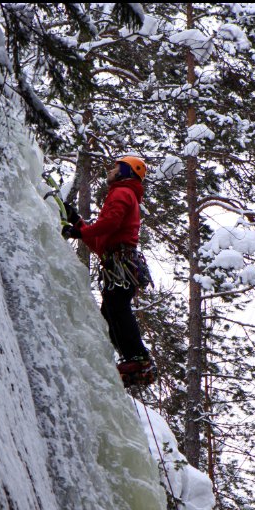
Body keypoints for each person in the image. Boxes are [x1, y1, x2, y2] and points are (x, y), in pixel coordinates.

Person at [62, 155, 156, 387]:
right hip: (118, 263)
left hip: (121, 264)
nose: (111, 170)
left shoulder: (122, 192)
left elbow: (111, 223)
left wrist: (79, 232)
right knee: (109, 314)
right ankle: (130, 359)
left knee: (117, 307)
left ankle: (138, 358)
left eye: (116, 166)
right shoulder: (124, 193)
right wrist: (78, 224)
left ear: (126, 172)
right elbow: (102, 244)